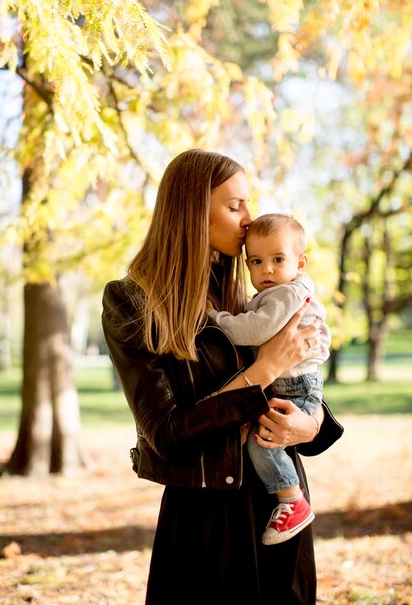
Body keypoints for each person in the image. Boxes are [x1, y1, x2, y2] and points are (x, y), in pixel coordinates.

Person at [101, 149, 344, 605]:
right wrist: (262, 370)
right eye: (235, 207)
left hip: (281, 501)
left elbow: (300, 380)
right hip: (206, 513)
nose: (249, 220)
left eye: (248, 205)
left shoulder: (252, 290)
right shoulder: (132, 303)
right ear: (193, 211)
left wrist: (310, 425)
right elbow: (166, 435)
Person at [207, 212, 331, 546]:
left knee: (263, 441)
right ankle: (290, 498)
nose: (268, 270)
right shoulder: (285, 292)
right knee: (263, 438)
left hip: (295, 387)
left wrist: (215, 319)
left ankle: (292, 500)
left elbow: (255, 328)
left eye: (278, 259)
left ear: (300, 262)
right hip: (291, 383)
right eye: (257, 261)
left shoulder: (287, 294)